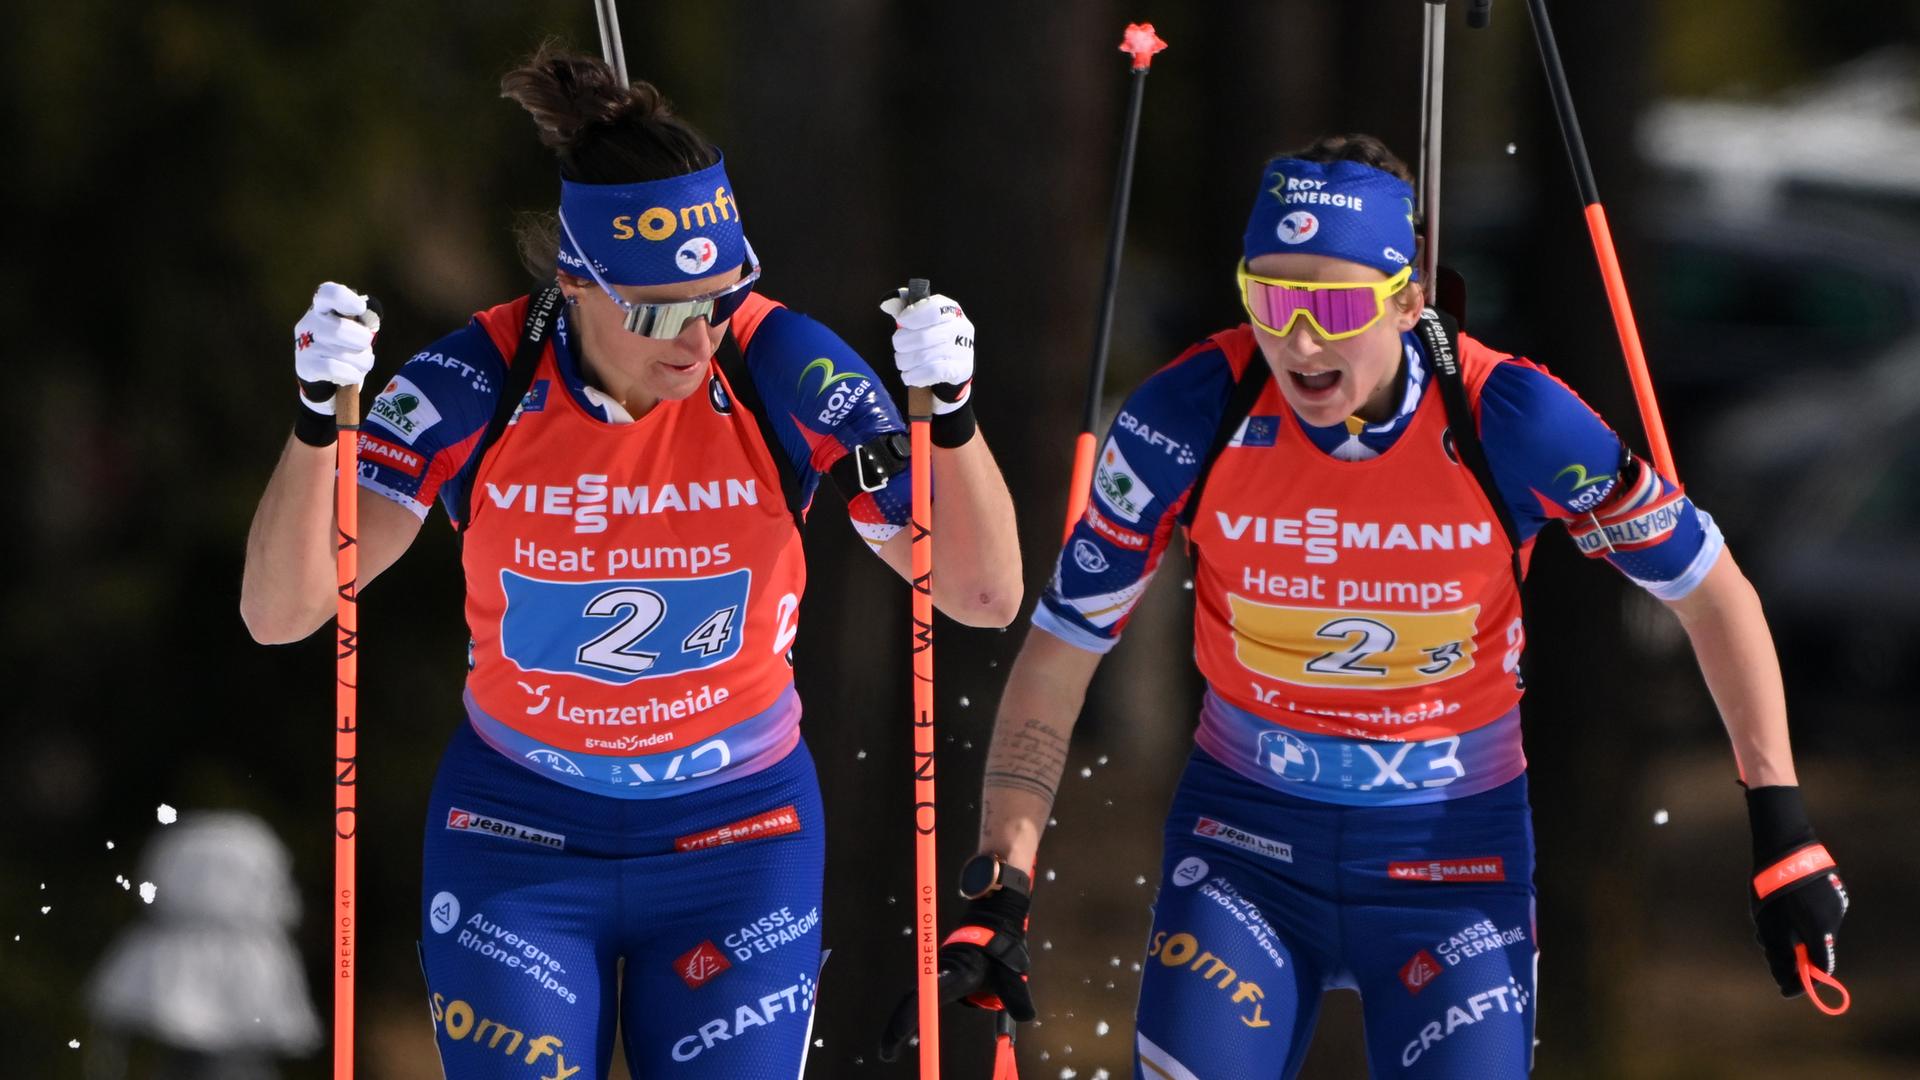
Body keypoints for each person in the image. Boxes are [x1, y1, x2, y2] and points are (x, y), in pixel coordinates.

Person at [890, 135, 1848, 1078]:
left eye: (1338, 304)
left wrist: (1783, 825)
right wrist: (1001, 883)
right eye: (1271, 299)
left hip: (1452, 860)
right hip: (1245, 848)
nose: (1301, 339)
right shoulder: (1189, 413)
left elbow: (1710, 593)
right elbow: (1060, 650)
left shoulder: (1509, 416)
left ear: (1407, 299)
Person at [240, 45, 1022, 1079]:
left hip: (738, 836)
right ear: (574, 281)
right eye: (658, 309)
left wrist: (952, 418)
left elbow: (980, 594)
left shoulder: (778, 362)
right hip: (517, 832)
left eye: (719, 297)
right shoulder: (480, 379)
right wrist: (316, 424)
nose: (696, 337)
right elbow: (283, 612)